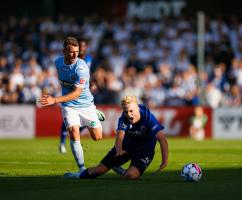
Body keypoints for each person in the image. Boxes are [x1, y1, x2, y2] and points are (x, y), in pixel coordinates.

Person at [64, 95, 169, 179]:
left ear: (137, 108)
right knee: (97, 171)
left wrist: (164, 161)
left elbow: (162, 139)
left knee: (130, 176)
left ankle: (121, 170)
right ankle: (77, 175)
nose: (129, 114)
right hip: (126, 147)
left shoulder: (148, 117)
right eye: (126, 112)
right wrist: (119, 150)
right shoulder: (124, 118)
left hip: (144, 151)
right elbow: (119, 137)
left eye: (131, 111)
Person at [39, 36, 103, 172]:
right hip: (69, 106)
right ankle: (82, 169)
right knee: (74, 133)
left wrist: (54, 100)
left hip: (86, 105)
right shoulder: (58, 63)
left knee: (97, 137)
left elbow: (76, 93)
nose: (74, 55)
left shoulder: (81, 67)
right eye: (71, 51)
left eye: (77, 51)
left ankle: (95, 112)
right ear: (64, 51)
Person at [58, 37, 105, 154]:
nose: (82, 48)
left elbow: (93, 74)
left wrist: (94, 83)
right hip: (73, 91)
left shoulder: (90, 59)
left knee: (83, 124)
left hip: (84, 91)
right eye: (80, 46)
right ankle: (62, 143)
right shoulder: (72, 58)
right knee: (68, 119)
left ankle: (90, 116)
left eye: (84, 46)